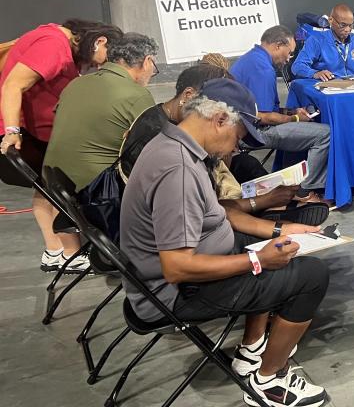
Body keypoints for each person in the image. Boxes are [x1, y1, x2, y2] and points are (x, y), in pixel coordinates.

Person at [119, 78, 330, 406]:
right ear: (219, 120)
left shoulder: (175, 146)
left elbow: (217, 214)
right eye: (238, 137)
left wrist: (279, 230)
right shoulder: (178, 169)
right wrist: (258, 261)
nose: (236, 148)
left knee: (271, 246)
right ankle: (271, 381)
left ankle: (251, 349)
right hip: (173, 294)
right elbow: (176, 267)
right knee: (310, 276)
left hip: (176, 276)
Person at [117, 63, 327, 229]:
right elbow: (205, 211)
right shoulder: (166, 148)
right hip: (181, 222)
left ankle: (274, 210)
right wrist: (265, 221)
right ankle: (270, 213)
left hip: (198, 216)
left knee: (246, 162)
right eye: (218, 102)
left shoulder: (171, 127)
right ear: (190, 96)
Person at [0, 19, 123, 273]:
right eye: (105, 58)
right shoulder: (54, 45)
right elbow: (13, 84)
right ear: (100, 41)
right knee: (58, 184)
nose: (100, 65)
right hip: (19, 131)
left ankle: (56, 251)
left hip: (35, 131)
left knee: (47, 186)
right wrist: (12, 131)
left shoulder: (59, 40)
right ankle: (67, 253)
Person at [44, 33, 159, 192]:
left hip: (53, 184)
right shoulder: (137, 95)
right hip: (99, 191)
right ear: (147, 62)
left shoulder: (75, 84)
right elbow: (156, 147)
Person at [231, 25, 331, 202]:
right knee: (326, 134)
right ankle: (305, 192)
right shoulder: (263, 69)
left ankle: (289, 186)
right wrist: (295, 118)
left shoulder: (251, 59)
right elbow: (262, 116)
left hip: (244, 127)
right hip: (252, 133)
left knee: (299, 128)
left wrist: (291, 112)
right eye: (289, 52)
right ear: (278, 45)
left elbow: (265, 109)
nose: (289, 58)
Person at [290, 4, 354, 80]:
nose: (347, 29)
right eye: (343, 25)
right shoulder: (316, 40)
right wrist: (315, 73)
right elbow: (297, 66)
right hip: (330, 87)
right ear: (330, 20)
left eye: (350, 25)